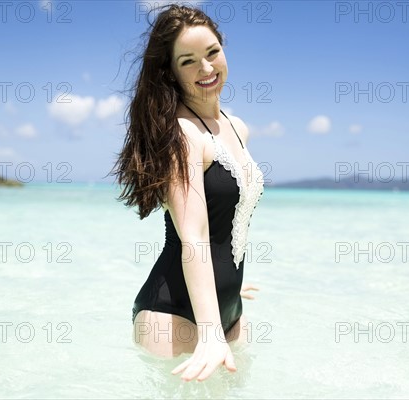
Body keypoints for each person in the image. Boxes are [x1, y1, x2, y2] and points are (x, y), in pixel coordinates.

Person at [110, 4, 264, 382]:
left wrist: (232, 278)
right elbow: (192, 235)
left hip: (227, 311)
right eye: (188, 61)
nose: (207, 68)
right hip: (173, 315)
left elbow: (223, 220)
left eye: (212, 52)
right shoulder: (182, 134)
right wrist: (210, 334)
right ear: (171, 72)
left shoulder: (236, 126)